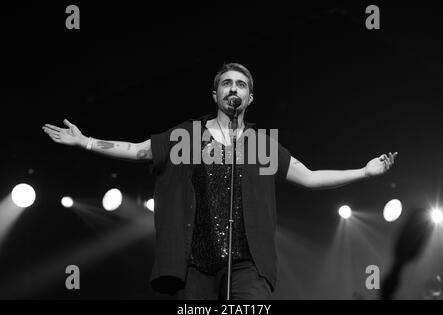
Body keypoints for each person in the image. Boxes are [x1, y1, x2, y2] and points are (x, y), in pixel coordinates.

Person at [42, 62, 398, 300]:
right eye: (227, 83)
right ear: (215, 95)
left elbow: (308, 176)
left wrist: (364, 172)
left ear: (249, 97)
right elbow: (138, 151)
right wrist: (86, 141)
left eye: (241, 84)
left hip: (247, 264)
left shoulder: (261, 145)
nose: (234, 88)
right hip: (194, 262)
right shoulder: (188, 135)